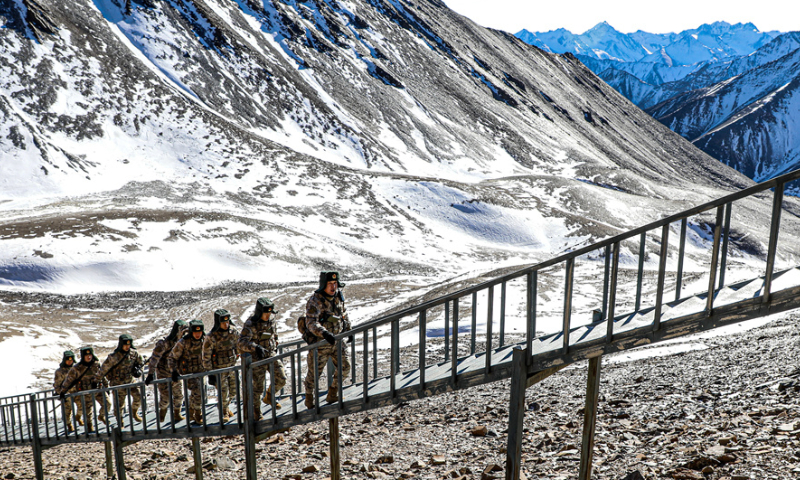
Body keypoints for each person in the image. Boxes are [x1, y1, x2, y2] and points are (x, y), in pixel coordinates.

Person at [303, 271, 351, 409]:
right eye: (330, 283)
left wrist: (348, 329)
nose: (333, 287)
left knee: (345, 367)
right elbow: (311, 322)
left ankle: (333, 391)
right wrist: (324, 333)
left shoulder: (339, 297)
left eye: (335, 283)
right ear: (324, 284)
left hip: (337, 341)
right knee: (314, 374)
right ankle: (309, 396)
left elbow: (344, 314)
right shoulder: (315, 300)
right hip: (321, 344)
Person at [237, 297, 286, 420]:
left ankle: (269, 396)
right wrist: (255, 347)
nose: (268, 315)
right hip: (257, 360)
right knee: (257, 388)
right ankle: (256, 411)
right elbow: (241, 342)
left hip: (270, 355)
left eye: (270, 312)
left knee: (282, 378)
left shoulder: (271, 321)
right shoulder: (250, 324)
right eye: (266, 312)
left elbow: (274, 335)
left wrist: (274, 346)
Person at [57, 346, 112, 432]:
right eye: (87, 355)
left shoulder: (96, 364)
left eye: (90, 355)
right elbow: (68, 380)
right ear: (83, 356)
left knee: (107, 404)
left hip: (98, 389)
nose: (89, 357)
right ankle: (89, 426)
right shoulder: (77, 368)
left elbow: (102, 375)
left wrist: (106, 386)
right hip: (86, 392)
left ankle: (101, 416)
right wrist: (62, 391)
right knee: (88, 411)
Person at [95, 334, 145, 426]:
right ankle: (120, 421)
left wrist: (139, 371)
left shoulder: (134, 353)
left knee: (139, 397)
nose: (127, 347)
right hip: (118, 384)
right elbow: (103, 369)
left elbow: (141, 363)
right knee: (119, 405)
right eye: (125, 345)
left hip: (131, 381)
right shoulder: (113, 357)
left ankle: (134, 412)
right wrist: (97, 380)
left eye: (129, 345)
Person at [145, 320, 187, 422]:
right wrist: (150, 374)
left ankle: (177, 413)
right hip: (164, 374)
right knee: (166, 397)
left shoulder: (183, 343)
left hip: (175, 373)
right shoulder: (164, 344)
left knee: (179, 395)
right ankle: (162, 412)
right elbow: (154, 359)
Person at [203, 309, 240, 422]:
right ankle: (224, 412)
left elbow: (239, 346)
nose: (226, 324)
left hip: (232, 367)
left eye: (227, 321)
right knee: (224, 393)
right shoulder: (211, 337)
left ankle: (224, 406)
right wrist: (211, 374)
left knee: (234, 390)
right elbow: (206, 356)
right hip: (219, 370)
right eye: (223, 322)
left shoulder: (233, 332)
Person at [168, 319, 207, 425]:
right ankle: (198, 414)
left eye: (199, 332)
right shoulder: (183, 342)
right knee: (198, 391)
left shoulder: (205, 340)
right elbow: (172, 357)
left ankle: (190, 410)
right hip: (188, 373)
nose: (198, 334)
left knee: (197, 393)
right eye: (195, 332)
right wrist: (174, 371)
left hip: (201, 371)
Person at [53, 351, 81, 432]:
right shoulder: (60, 371)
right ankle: (69, 424)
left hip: (76, 391)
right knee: (68, 410)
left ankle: (78, 417)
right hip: (66, 393)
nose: (70, 362)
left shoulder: (76, 369)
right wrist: (60, 393)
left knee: (82, 405)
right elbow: (57, 384)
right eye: (68, 360)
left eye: (71, 360)